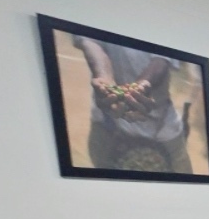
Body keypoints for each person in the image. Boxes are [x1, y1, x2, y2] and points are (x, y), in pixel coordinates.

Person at [73, 36, 192, 173]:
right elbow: (90, 42)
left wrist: (143, 84)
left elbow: (161, 60)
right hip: (107, 127)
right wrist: (103, 77)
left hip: (163, 131)